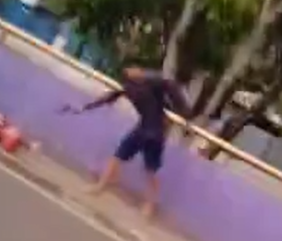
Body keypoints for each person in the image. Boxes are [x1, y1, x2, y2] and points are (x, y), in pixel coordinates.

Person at [62, 65, 191, 219]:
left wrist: (183, 113)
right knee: (117, 156)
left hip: (155, 132)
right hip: (142, 128)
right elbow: (108, 97)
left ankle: (149, 205)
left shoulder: (152, 81)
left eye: (136, 70)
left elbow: (171, 86)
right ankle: (100, 186)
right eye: (131, 71)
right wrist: (84, 107)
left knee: (151, 171)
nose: (134, 72)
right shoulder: (128, 87)